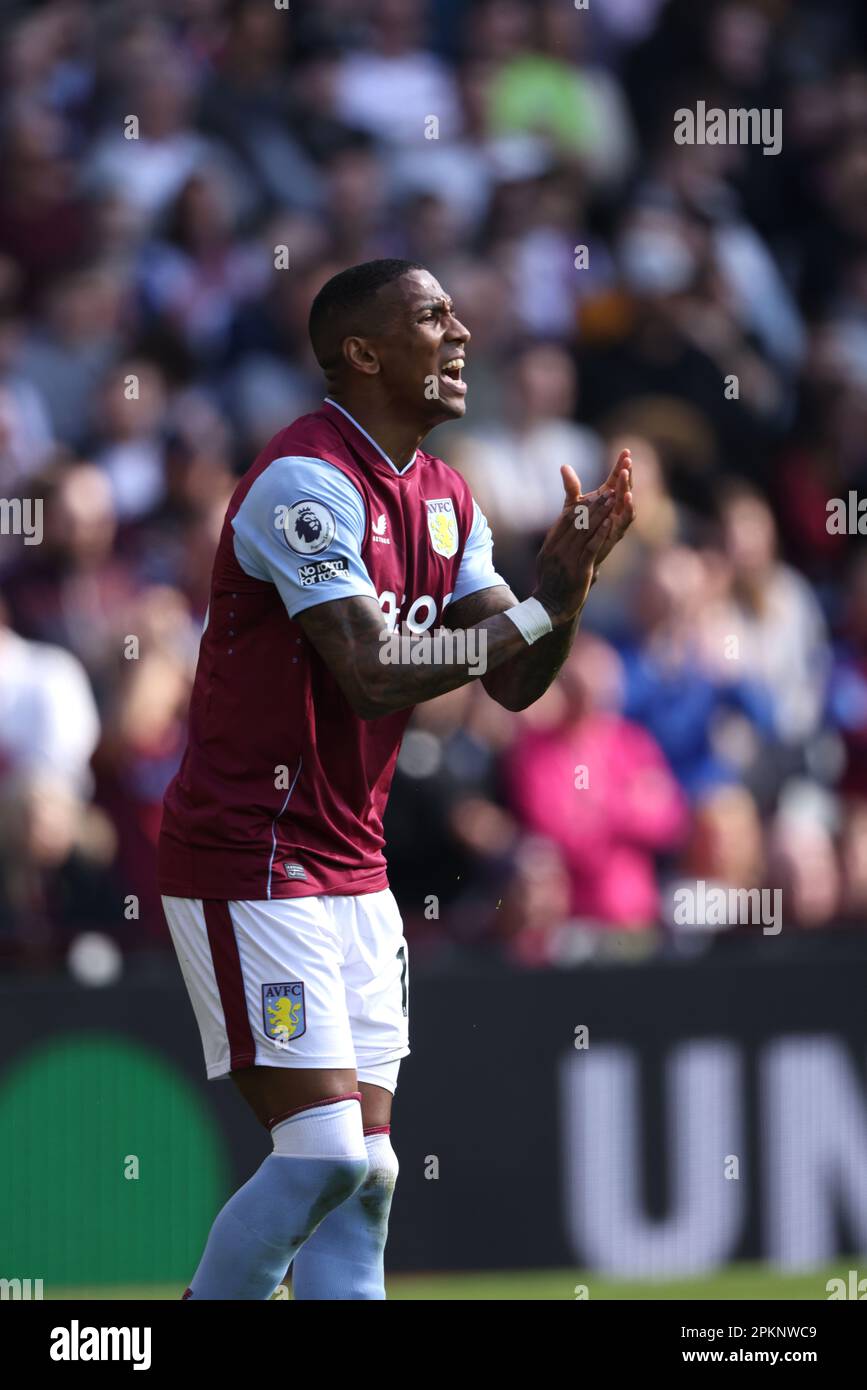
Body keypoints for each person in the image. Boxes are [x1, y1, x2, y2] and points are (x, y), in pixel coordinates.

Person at [158, 257, 635, 1300]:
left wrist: (567, 580)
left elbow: (512, 680)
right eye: (433, 317)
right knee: (326, 1156)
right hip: (254, 854)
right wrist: (533, 611)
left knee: (366, 1178)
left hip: (355, 871)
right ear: (363, 351)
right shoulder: (306, 482)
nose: (462, 332)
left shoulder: (448, 500)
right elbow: (373, 675)